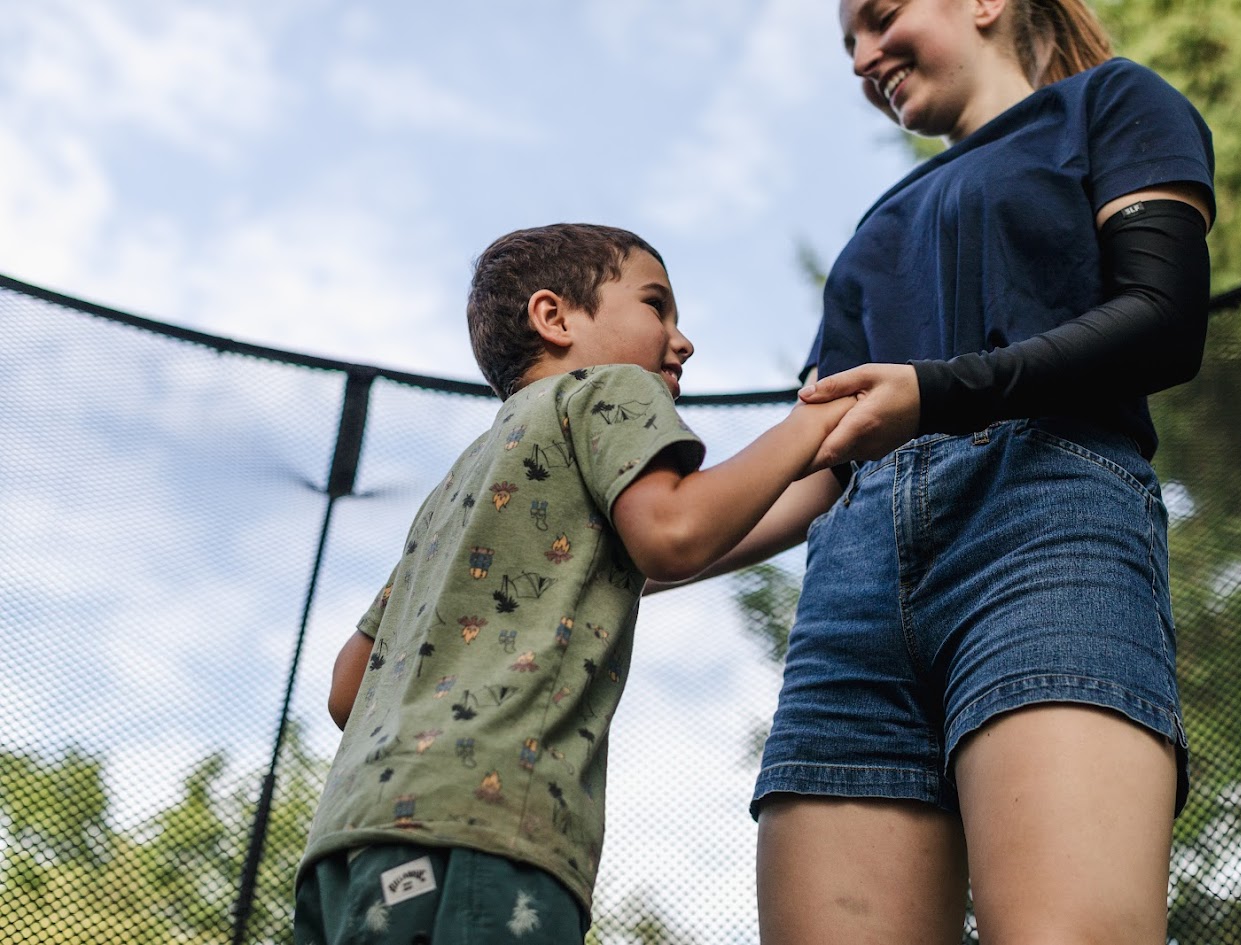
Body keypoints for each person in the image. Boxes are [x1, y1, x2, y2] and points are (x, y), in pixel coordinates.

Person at [681, 1, 1216, 942]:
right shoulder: (874, 226)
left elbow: (1162, 319)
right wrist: (639, 558)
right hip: (850, 590)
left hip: (1048, 524)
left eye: (878, 18)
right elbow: (822, 458)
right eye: (846, 43)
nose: (861, 57)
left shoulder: (1110, 105)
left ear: (982, 2)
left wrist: (936, 392)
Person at [293, 223, 852, 945]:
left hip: (348, 841)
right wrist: (814, 423)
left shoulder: (464, 481)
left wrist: (827, 479)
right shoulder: (607, 392)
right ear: (555, 318)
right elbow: (677, 531)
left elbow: (347, 685)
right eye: (658, 306)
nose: (681, 342)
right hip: (484, 832)